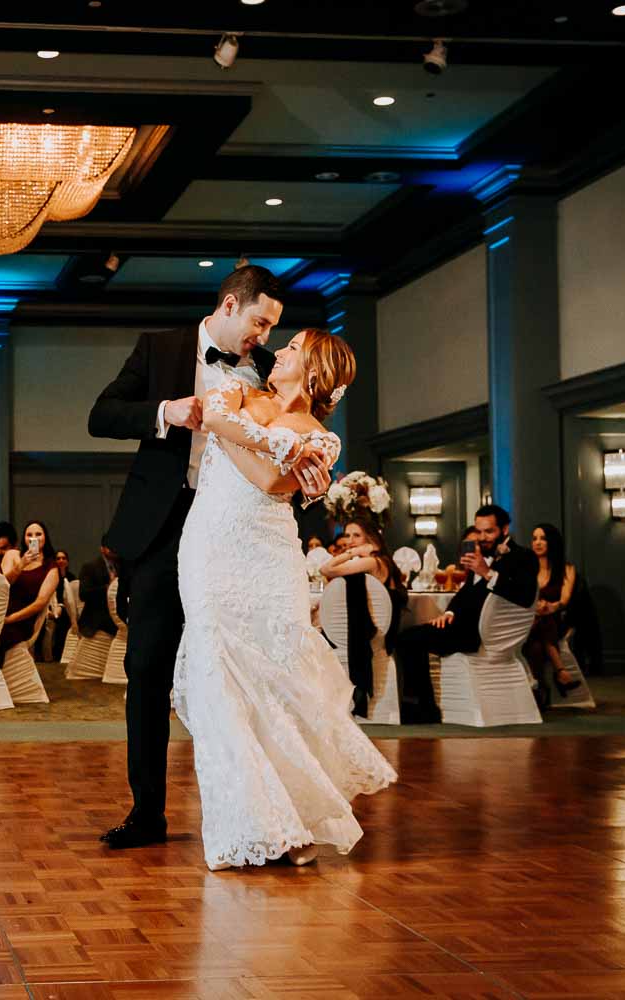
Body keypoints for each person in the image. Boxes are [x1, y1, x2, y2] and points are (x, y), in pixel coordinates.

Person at [87, 264, 334, 850]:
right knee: (146, 669)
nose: (265, 338)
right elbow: (101, 415)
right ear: (229, 305)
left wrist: (312, 488)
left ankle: (262, 812)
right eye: (258, 323)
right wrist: (166, 411)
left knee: (244, 673)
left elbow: (294, 437)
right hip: (164, 530)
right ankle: (148, 811)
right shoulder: (160, 349)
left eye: (274, 329)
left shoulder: (268, 376)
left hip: (236, 536)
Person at [173, 327, 395, 870]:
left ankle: (292, 814)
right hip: (208, 551)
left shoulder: (323, 439)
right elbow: (221, 423)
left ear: (314, 371)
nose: (280, 351)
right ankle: (246, 824)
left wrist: (269, 444)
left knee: (280, 686)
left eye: (292, 347)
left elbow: (268, 481)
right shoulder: (234, 388)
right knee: (218, 683)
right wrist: (275, 442)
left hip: (271, 562)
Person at [393, 504, 538, 724]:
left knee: (408, 640)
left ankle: (424, 708)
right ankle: (421, 705)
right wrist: (450, 611)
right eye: (479, 531)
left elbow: (525, 596)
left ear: (505, 530)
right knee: (409, 636)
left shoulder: (523, 557)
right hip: (463, 626)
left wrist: (487, 573)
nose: (482, 537)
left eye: (489, 531)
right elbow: (467, 593)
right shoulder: (484, 556)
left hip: (482, 635)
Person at [319, 519, 408, 716]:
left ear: (371, 539)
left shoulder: (370, 562)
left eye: (356, 535)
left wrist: (351, 553)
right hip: (375, 634)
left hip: (374, 634)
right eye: (347, 535)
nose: (350, 540)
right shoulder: (380, 561)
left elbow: (326, 570)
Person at [0, 520, 61, 671]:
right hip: (2, 609)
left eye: (38, 534)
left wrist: (11, 619)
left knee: (0, 635)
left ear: (45, 537)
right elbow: (2, 585)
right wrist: (21, 565)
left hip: (23, 619)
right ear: (24, 538)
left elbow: (40, 603)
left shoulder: (51, 568)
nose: (34, 538)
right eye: (29, 535)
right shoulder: (13, 555)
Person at [523, 523, 578, 698]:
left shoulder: (567, 569)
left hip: (555, 621)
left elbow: (565, 599)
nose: (537, 543)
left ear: (552, 542)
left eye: (543, 538)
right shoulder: (526, 569)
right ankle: (559, 673)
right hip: (529, 623)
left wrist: (551, 606)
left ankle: (540, 689)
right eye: (534, 539)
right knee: (536, 645)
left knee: (543, 624)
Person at [77, 538, 119, 642]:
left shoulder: (121, 566)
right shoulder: (90, 567)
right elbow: (83, 594)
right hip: (96, 617)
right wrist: (108, 589)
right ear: (102, 549)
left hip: (118, 615)